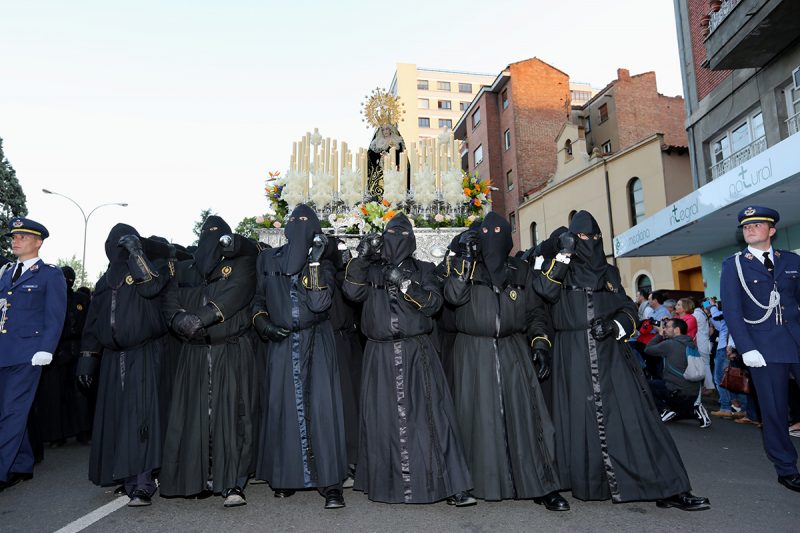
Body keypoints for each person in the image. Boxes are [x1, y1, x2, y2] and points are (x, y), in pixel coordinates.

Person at [533, 210, 709, 511]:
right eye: (583, 237)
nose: (591, 241)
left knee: (638, 420)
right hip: (570, 356)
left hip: (611, 355)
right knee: (571, 422)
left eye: (596, 236)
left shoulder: (609, 273)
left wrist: (615, 325)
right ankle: (560, 485)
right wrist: (563, 255)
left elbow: (627, 307)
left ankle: (669, 487)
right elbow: (544, 292)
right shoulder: (559, 268)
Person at [343, 213, 474, 506]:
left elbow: (434, 304)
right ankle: (388, 485)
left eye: (403, 236)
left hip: (417, 352)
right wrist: (362, 258)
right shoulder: (369, 271)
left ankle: (449, 485)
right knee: (382, 421)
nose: (396, 241)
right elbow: (351, 292)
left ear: (412, 241)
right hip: (379, 354)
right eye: (390, 235)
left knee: (431, 419)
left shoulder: (425, 270)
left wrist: (405, 283)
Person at [443, 212, 566, 510]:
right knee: (475, 418)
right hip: (472, 351)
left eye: (500, 232)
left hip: (513, 348)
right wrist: (465, 259)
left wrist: (540, 343)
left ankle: (542, 484)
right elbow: (453, 296)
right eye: (487, 233)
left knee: (528, 418)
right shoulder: (463, 266)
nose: (493, 239)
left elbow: (535, 312)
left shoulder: (520, 270)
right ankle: (470, 482)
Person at [160, 216, 260, 508]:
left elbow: (236, 294)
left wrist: (201, 318)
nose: (210, 239)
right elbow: (170, 299)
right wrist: (178, 320)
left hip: (230, 350)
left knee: (235, 415)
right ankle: (196, 477)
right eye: (206, 233)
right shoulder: (184, 269)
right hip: (193, 352)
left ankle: (233, 481)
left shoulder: (241, 264)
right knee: (194, 416)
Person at [252, 204, 348, 509]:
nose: (300, 225)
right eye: (295, 220)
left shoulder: (323, 262)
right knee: (283, 408)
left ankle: (330, 483)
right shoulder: (268, 259)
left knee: (322, 409)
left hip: (316, 340)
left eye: (306, 222)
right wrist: (263, 324)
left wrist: (315, 262)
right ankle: (286, 475)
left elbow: (319, 304)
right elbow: (257, 299)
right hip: (281, 343)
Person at [76, 224, 169, 506]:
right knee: (117, 418)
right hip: (112, 359)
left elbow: (152, 287)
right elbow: (93, 324)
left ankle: (143, 482)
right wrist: (87, 361)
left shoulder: (152, 268)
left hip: (144, 354)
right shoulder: (105, 282)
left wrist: (137, 253)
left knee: (142, 419)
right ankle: (124, 473)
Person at [720, 206, 800, 493]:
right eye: (746, 226)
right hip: (763, 348)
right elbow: (732, 311)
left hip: (796, 340)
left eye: (756, 225)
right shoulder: (734, 265)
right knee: (774, 410)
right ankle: (787, 468)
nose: (750, 229)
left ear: (772, 230)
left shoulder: (791, 260)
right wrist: (746, 348)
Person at [0, 217, 67, 492]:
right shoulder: (6, 272)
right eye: (14, 237)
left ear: (38, 242)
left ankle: (2, 471)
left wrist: (46, 349)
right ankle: (21, 463)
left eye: (22, 237)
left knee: (10, 412)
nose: (15, 241)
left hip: (28, 355)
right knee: (12, 411)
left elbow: (55, 315)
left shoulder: (50, 274)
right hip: (4, 351)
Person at [30, 266, 91, 447]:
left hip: (73, 349)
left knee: (77, 393)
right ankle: (60, 435)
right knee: (56, 395)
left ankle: (80, 432)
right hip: (57, 350)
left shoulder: (80, 299)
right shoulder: (50, 298)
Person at [645, 318, 709, 427]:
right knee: (675, 414)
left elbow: (648, 349)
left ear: (677, 330)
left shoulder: (669, 344)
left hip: (677, 392)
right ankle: (695, 411)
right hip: (693, 393)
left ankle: (663, 410)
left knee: (644, 384)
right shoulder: (691, 343)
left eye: (667, 327)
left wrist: (660, 335)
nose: (665, 329)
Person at [367, 123, 406, 197]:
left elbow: (401, 155)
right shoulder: (376, 142)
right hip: (380, 171)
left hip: (394, 170)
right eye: (383, 130)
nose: (385, 131)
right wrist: (380, 156)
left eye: (387, 129)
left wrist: (390, 156)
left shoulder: (397, 140)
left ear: (390, 129)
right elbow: (371, 156)